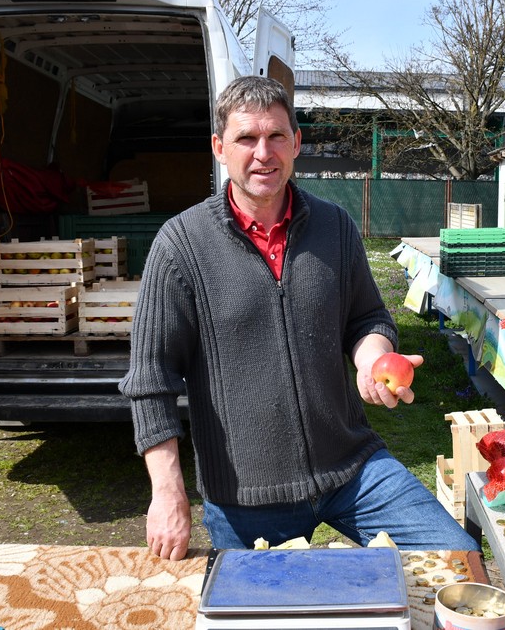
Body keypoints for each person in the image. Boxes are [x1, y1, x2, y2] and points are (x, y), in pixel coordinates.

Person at [119, 75, 480, 559]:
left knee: (459, 560)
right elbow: (150, 378)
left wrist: (373, 359)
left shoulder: (335, 226)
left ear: (296, 143)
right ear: (219, 148)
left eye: (276, 137)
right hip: (246, 497)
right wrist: (167, 492)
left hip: (353, 471)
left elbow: (367, 318)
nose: (263, 153)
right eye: (246, 138)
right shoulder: (180, 245)